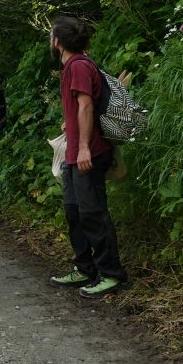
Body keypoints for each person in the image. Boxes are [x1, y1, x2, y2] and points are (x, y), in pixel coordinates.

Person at [48, 16, 127, 298]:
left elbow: (86, 107)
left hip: (88, 152)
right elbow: (79, 108)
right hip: (75, 151)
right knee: (74, 210)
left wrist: (83, 148)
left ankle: (111, 273)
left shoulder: (79, 66)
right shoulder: (75, 64)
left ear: (58, 41)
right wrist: (70, 124)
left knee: (93, 213)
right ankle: (85, 267)